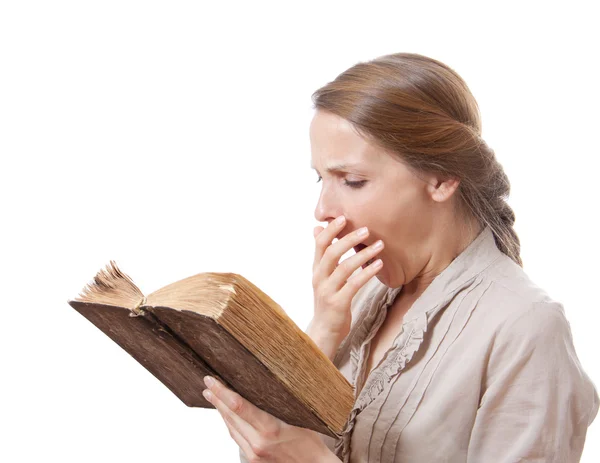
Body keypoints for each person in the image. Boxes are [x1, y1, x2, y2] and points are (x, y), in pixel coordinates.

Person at [201, 52, 599, 462]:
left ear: (442, 178)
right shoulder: (358, 298)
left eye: (353, 181)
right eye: (322, 178)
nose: (322, 209)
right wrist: (322, 329)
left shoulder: (527, 328)